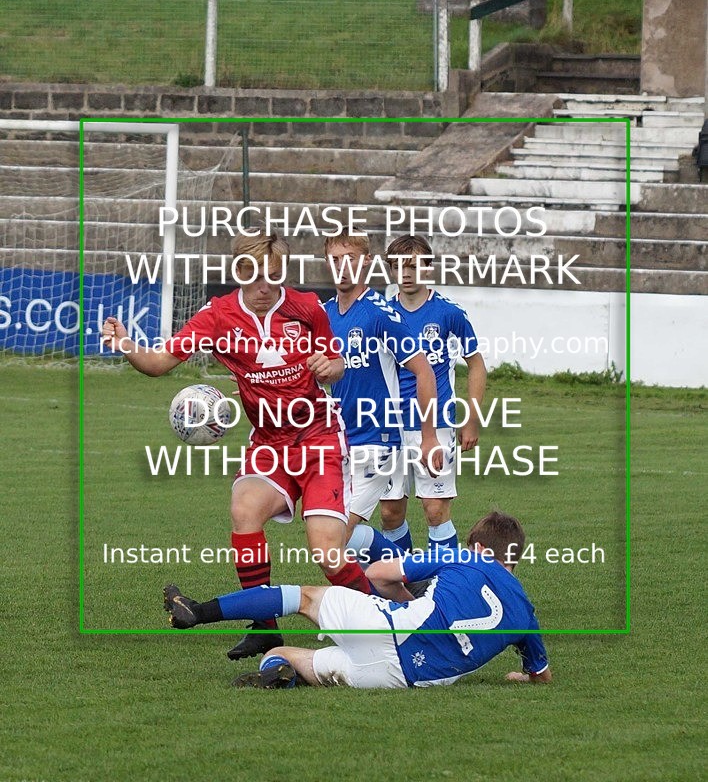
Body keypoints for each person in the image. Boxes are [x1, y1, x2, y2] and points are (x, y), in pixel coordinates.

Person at [101, 229, 372, 661]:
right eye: (252, 275)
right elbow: (158, 364)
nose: (264, 286)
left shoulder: (306, 309)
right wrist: (126, 344)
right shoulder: (218, 316)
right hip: (268, 444)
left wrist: (331, 366)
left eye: (273, 275)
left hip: (319, 439)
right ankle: (265, 629)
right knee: (244, 510)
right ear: (238, 271)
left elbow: (335, 365)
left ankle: (387, 618)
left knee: (327, 555)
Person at [164, 511, 551, 689]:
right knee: (281, 659)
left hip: (392, 628)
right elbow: (542, 676)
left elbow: (378, 574)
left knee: (305, 598)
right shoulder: (527, 615)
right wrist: (523, 676)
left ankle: (198, 611)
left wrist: (403, 598)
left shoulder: (463, 556)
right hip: (401, 679)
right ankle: (280, 674)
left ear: (480, 547)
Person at [321, 233, 442, 554]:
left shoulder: (380, 314)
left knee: (334, 536)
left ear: (367, 263)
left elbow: (424, 370)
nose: (342, 267)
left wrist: (429, 438)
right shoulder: (323, 315)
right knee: (331, 539)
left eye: (350, 259)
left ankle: (409, 580)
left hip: (380, 441)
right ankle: (409, 579)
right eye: (335, 260)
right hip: (340, 442)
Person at [380, 235, 487, 553]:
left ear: (428, 269)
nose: (406, 273)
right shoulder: (380, 314)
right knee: (389, 513)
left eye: (414, 266)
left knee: (435, 510)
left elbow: (477, 365)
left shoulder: (449, 313)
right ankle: (404, 585)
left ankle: (444, 588)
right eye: (399, 266)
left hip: (436, 424)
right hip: (388, 425)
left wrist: (471, 420)